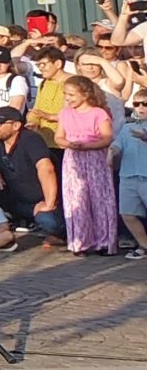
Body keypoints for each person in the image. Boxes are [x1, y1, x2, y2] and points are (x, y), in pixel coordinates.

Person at [0, 107, 63, 242]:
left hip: (37, 201)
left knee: (49, 220)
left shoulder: (31, 139)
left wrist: (49, 203)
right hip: (10, 198)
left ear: (16, 125)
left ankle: (60, 232)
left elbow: (46, 169)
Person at [55, 74, 119, 254]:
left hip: (95, 158)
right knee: (76, 199)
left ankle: (104, 241)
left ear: (85, 94)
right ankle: (79, 241)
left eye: (72, 95)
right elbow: (58, 137)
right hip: (73, 158)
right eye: (66, 94)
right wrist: (69, 144)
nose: (68, 99)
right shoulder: (65, 113)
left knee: (100, 198)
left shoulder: (99, 113)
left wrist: (88, 145)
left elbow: (107, 137)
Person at [113, 97, 147, 259]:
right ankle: (144, 245)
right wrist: (112, 153)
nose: (140, 107)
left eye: (145, 104)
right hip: (128, 176)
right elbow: (117, 144)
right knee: (127, 213)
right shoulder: (127, 127)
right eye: (136, 104)